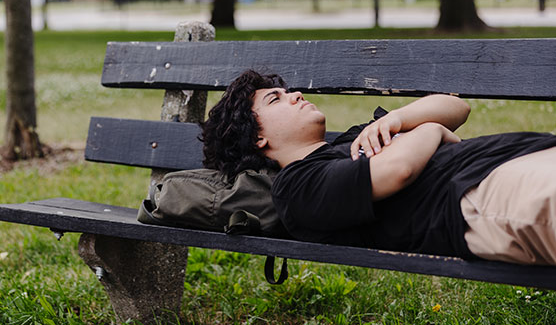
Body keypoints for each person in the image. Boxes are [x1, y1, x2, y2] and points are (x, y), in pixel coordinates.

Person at [200, 70, 556, 265]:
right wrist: (429, 130)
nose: (295, 95)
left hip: (517, 157)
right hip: (481, 199)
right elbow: (396, 170)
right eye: (275, 99)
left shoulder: (356, 139)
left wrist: (400, 119)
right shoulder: (297, 187)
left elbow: (455, 107)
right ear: (258, 138)